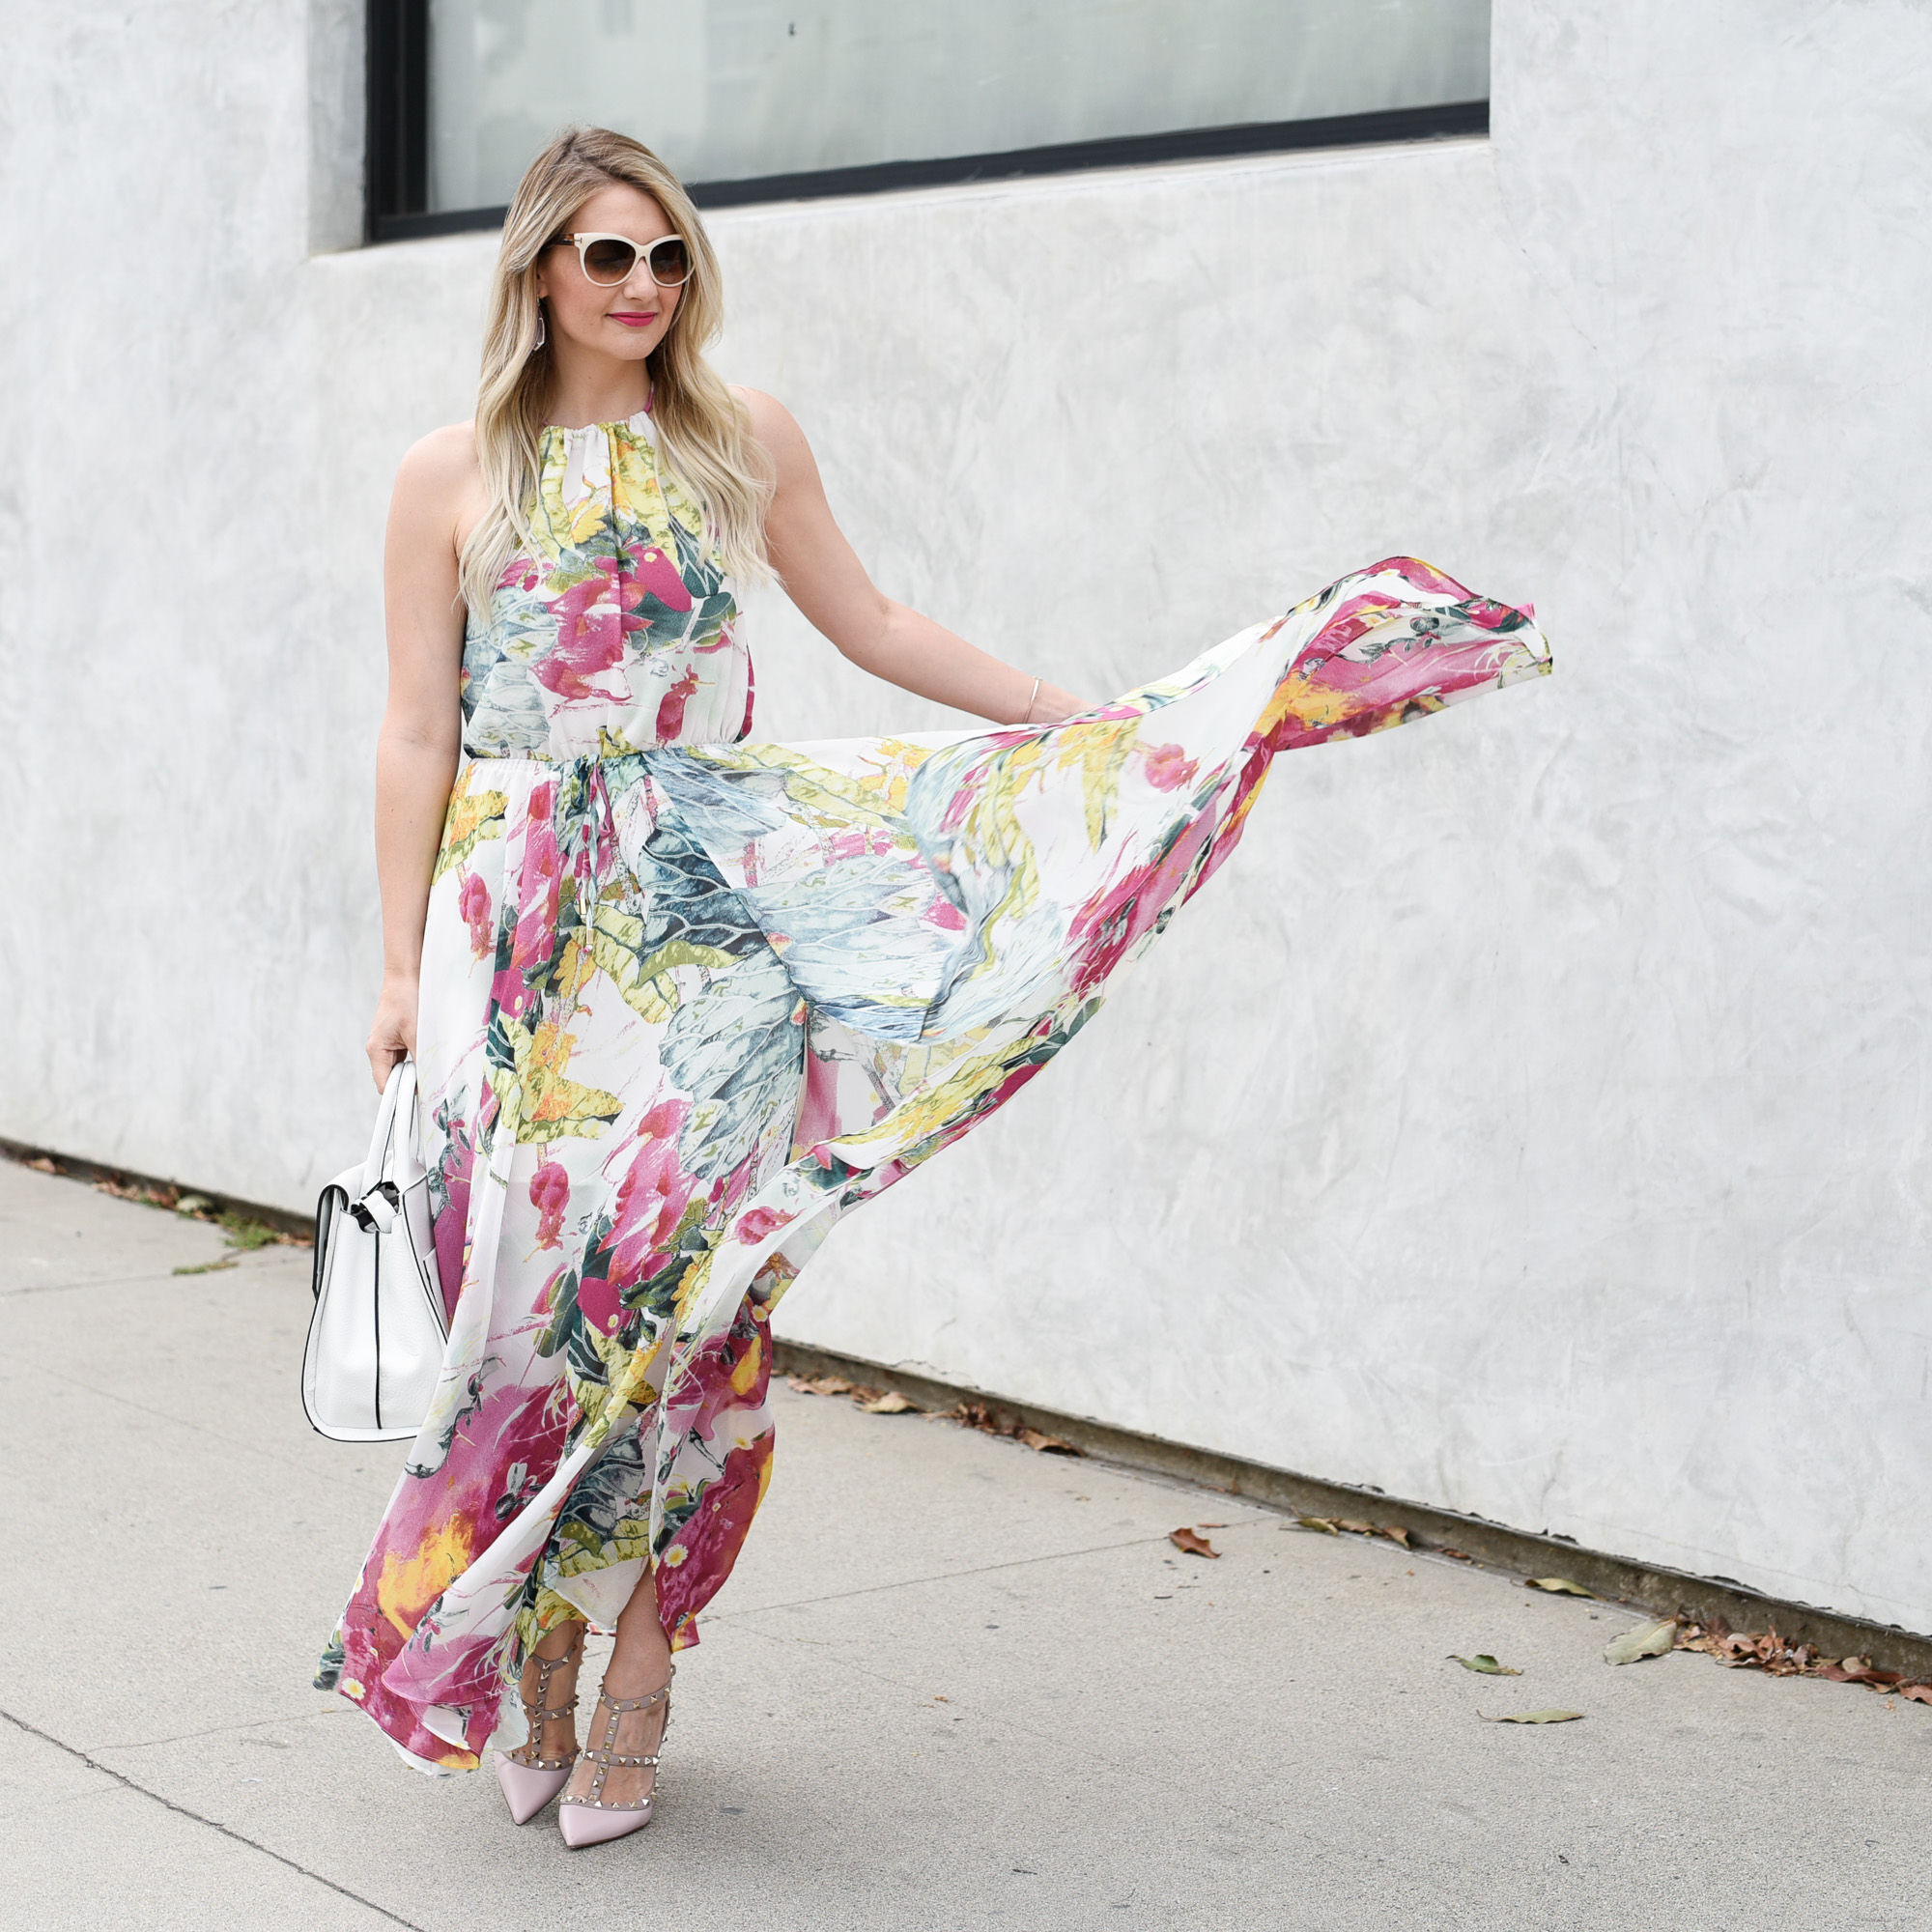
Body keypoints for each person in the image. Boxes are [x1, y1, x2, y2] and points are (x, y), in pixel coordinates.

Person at [316, 126, 1550, 1848]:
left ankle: (644, 1672)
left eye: (669, 256)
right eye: (610, 257)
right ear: (537, 269)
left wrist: (1078, 722)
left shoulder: (739, 439)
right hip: (513, 926)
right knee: (520, 1304)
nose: (646, 287)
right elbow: (415, 728)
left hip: (703, 919)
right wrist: (395, 963)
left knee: (695, 1293)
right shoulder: (448, 471)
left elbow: (876, 624)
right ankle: (523, 1645)